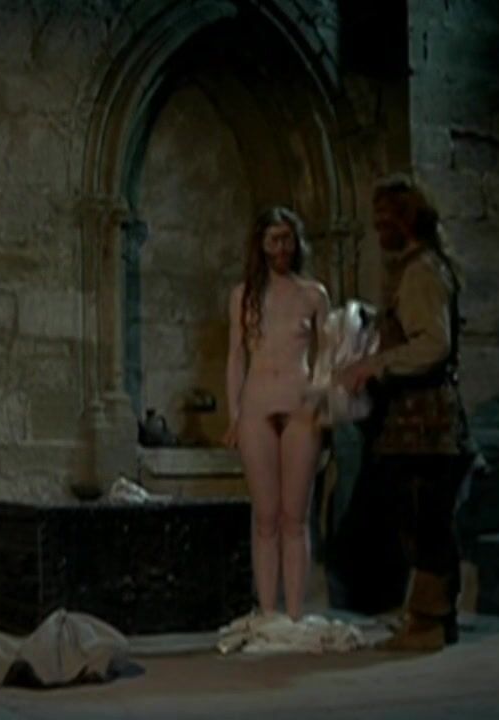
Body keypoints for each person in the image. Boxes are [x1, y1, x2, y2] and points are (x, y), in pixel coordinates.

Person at [338, 173, 478, 651]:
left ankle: (430, 621)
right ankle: (427, 617)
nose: (378, 229)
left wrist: (374, 364)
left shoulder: (422, 272)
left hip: (428, 422)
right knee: (421, 520)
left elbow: (433, 344)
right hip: (414, 421)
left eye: (385, 220)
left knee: (427, 522)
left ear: (407, 219)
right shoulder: (416, 269)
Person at [223, 206, 330, 623]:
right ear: (261, 244)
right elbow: (236, 357)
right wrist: (234, 414)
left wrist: (320, 400)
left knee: (294, 517)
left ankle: (295, 614)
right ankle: (269, 613)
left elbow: (326, 357)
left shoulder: (313, 294)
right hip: (257, 406)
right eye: (274, 239)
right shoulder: (244, 295)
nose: (281, 248)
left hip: (300, 407)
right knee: (265, 517)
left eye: (287, 238)